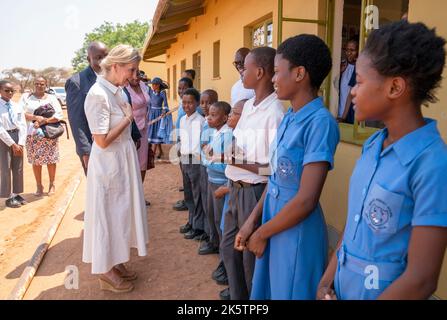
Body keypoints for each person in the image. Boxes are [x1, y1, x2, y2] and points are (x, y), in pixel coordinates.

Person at [318, 21, 447, 300]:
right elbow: (354, 226)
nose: (352, 90)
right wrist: (327, 280)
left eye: (360, 82)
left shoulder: (432, 163)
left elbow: (422, 279)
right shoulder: (374, 145)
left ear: (395, 87)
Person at [235, 35, 339, 300]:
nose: (273, 78)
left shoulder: (320, 123)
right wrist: (252, 222)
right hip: (273, 222)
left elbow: (306, 200)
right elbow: (275, 180)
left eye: (278, 72)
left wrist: (261, 232)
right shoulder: (290, 118)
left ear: (300, 74)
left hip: (296, 233)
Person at [82, 44, 148, 293]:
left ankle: (116, 261)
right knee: (107, 215)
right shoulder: (98, 94)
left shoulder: (117, 90)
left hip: (122, 161)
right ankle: (105, 271)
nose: (133, 76)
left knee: (121, 213)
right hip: (108, 164)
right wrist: (129, 119)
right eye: (130, 70)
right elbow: (100, 140)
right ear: (116, 66)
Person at [222, 47, 285, 300]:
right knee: (229, 250)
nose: (241, 72)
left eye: (244, 68)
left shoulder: (276, 113)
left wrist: (237, 159)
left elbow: (273, 170)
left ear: (259, 72)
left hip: (254, 193)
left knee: (249, 259)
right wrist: (230, 153)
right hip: (234, 187)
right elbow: (238, 145)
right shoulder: (247, 106)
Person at [216, 98, 247, 300]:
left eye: (234, 113)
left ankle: (241, 292)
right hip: (232, 190)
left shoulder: (245, 137)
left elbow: (260, 171)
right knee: (228, 244)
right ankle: (235, 288)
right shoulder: (236, 135)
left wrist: (227, 189)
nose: (230, 117)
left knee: (241, 247)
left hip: (240, 193)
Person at [65, 41, 108, 175]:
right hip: (93, 147)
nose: (103, 61)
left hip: (112, 143)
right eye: (98, 57)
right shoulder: (77, 82)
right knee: (98, 189)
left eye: (105, 56)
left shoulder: (112, 78)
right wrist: (86, 152)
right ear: (88, 59)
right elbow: (76, 120)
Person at [19, 76, 63, 197]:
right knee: (36, 161)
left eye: (42, 84)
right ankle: (39, 186)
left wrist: (45, 121)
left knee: (51, 159)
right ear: (34, 84)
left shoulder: (52, 98)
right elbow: (20, 113)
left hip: (50, 134)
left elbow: (59, 115)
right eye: (37, 83)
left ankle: (52, 184)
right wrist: (35, 118)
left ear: (46, 85)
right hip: (32, 135)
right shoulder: (26, 97)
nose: (39, 86)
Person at [178, 88, 206, 241]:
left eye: (190, 103)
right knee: (188, 194)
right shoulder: (183, 120)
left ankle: (198, 226)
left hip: (196, 161)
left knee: (197, 195)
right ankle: (191, 221)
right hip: (185, 159)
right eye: (184, 102)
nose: (186, 105)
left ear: (197, 103)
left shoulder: (201, 121)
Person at [198, 90, 219, 248]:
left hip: (213, 169)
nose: (205, 106)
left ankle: (215, 240)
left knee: (214, 209)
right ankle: (210, 234)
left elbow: (211, 149)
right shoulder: (206, 121)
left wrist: (206, 149)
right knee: (207, 203)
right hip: (204, 166)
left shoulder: (216, 125)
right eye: (202, 102)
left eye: (209, 102)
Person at [0, 81, 27, 208]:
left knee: (18, 167)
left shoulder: (16, 106)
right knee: (5, 168)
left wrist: (20, 143)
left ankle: (16, 193)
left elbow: (22, 125)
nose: (10, 93)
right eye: (6, 90)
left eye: (12, 91)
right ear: (0, 90)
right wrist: (12, 144)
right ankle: (7, 196)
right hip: (4, 139)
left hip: (18, 137)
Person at [123, 71, 151, 183]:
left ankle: (140, 195)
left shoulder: (143, 86)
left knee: (142, 163)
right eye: (132, 73)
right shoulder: (124, 89)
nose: (136, 76)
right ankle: (131, 197)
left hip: (144, 130)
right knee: (130, 165)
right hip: (131, 131)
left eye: (138, 73)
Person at [147, 77, 172, 159]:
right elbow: (149, 104)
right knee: (152, 133)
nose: (153, 86)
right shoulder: (150, 92)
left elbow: (165, 104)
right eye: (152, 84)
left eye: (155, 84)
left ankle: (153, 153)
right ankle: (160, 151)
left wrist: (164, 111)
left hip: (158, 115)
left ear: (159, 85)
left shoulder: (162, 92)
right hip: (151, 114)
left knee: (157, 133)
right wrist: (148, 113)